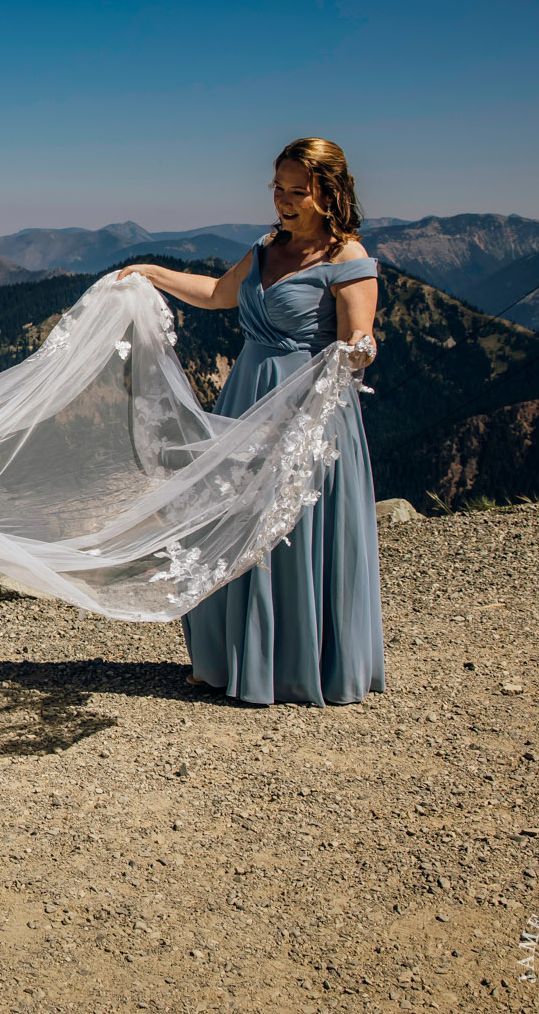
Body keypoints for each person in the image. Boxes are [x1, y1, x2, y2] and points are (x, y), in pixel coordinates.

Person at [118, 137, 385, 706]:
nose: (284, 202)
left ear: (328, 193)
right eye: (278, 189)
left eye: (298, 192)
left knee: (289, 527)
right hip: (246, 399)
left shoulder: (346, 258)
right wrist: (150, 272)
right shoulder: (267, 246)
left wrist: (361, 349)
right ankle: (233, 659)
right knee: (234, 516)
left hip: (307, 408)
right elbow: (218, 294)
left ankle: (294, 666)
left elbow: (357, 336)